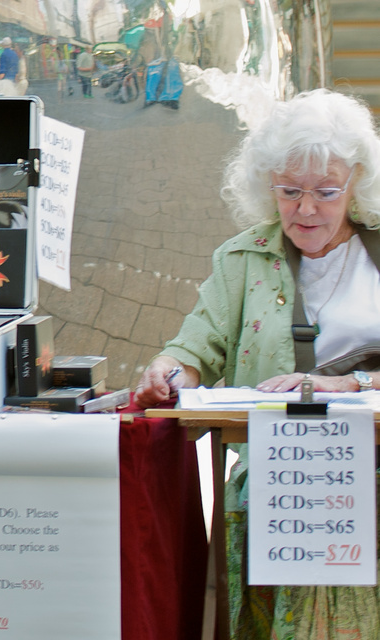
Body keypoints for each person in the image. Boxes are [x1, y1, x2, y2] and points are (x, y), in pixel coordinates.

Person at [133, 89, 380, 639]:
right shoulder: (242, 257)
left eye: (326, 191)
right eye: (290, 191)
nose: (307, 209)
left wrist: (351, 383)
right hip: (282, 481)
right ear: (267, 186)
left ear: (357, 183)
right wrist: (170, 370)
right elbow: (197, 345)